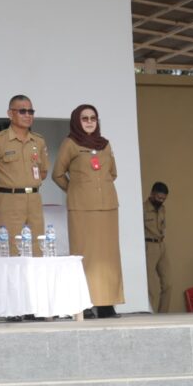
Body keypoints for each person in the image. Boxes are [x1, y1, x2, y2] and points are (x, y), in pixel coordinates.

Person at [51, 103, 124, 319]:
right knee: (85, 257)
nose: (90, 122)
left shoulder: (105, 144)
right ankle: (84, 304)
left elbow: (113, 173)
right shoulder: (70, 144)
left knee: (108, 258)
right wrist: (76, 190)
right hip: (82, 209)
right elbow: (58, 174)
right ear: (76, 121)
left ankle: (106, 305)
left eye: (93, 118)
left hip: (108, 208)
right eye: (85, 118)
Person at [0, 96, 49, 255]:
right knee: (10, 249)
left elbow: (43, 171)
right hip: (8, 201)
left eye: (30, 111)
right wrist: (1, 189)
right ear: (10, 114)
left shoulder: (38, 141)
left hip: (34, 200)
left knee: (37, 247)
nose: (28, 115)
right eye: (22, 111)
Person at [143, 182, 170, 312]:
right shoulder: (142, 208)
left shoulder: (162, 209)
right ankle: (151, 314)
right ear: (152, 194)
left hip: (161, 245)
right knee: (152, 287)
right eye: (159, 198)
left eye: (164, 199)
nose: (161, 201)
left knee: (168, 283)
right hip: (149, 246)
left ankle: (163, 314)